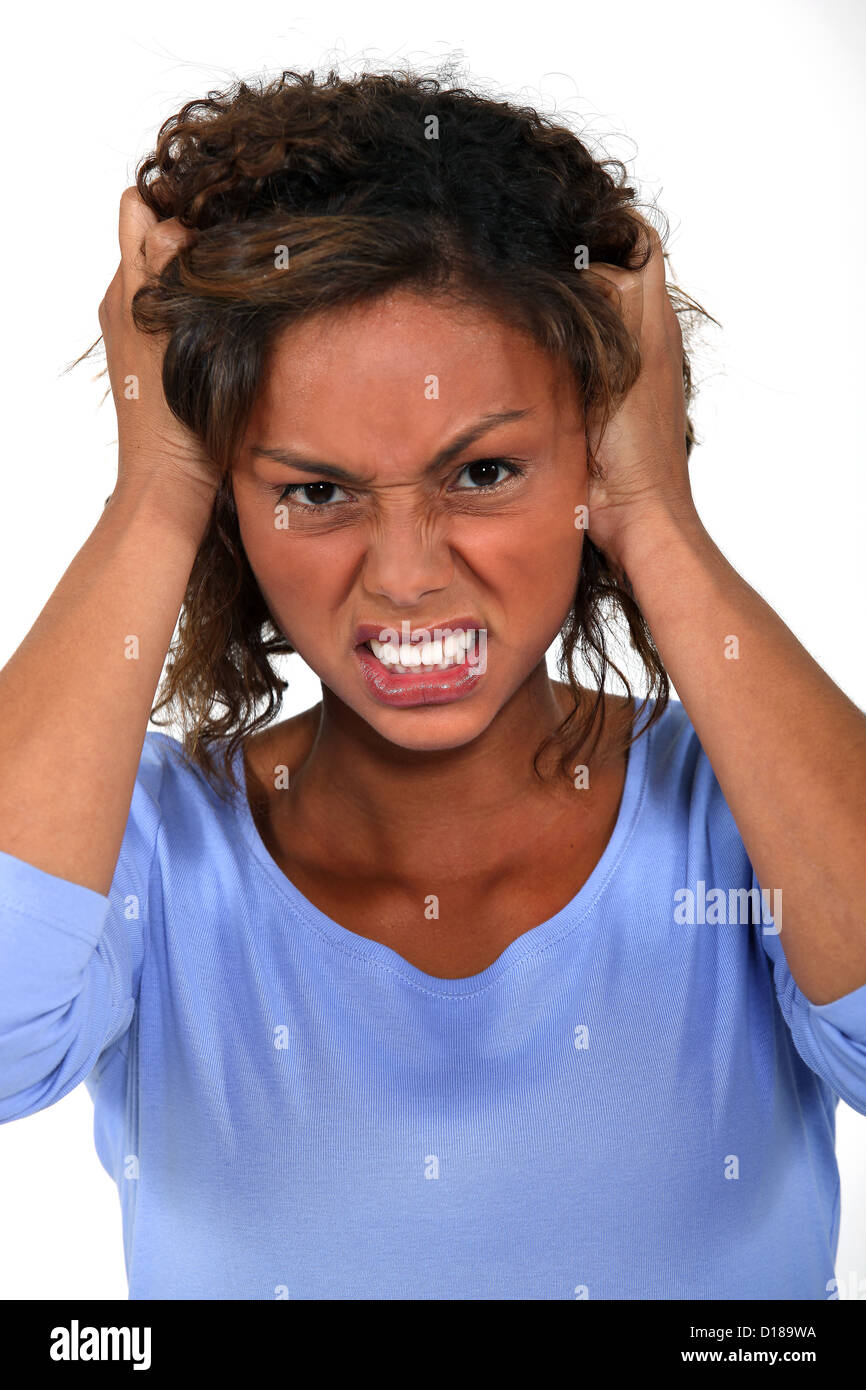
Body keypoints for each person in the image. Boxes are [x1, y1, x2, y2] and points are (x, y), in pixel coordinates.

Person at [0, 67, 864, 1301]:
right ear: (230, 503)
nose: (404, 578)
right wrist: (154, 497)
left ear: (593, 451)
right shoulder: (146, 851)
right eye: (315, 490)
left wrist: (656, 514)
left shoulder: (740, 818)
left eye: (484, 472)